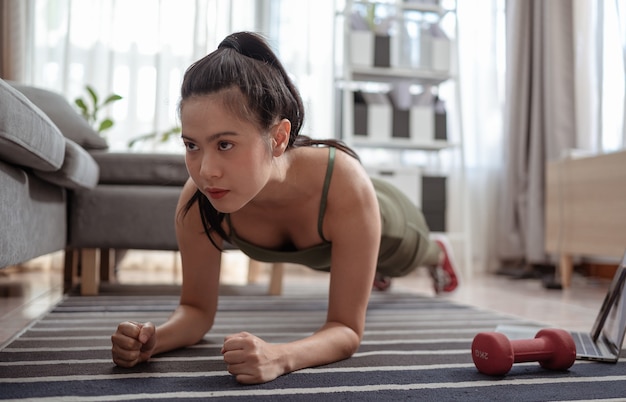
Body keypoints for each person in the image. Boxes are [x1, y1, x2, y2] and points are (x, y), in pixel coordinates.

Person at [110, 31, 459, 384]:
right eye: (192, 145)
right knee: (360, 275)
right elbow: (197, 311)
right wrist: (153, 340)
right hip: (343, 233)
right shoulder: (200, 200)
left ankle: (435, 254)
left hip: (390, 225)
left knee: (410, 257)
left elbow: (346, 329)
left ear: (277, 138)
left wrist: (281, 356)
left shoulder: (344, 183)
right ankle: (370, 274)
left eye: (225, 144)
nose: (205, 170)